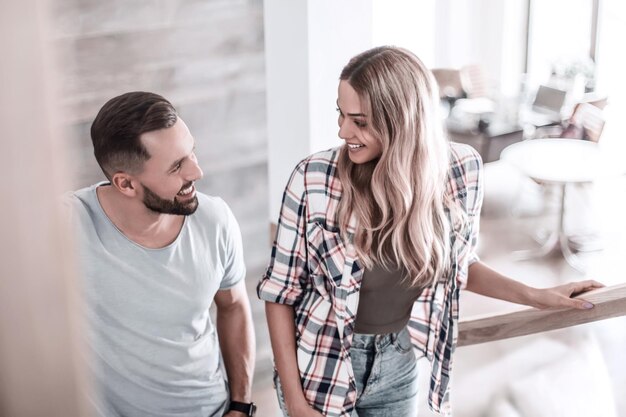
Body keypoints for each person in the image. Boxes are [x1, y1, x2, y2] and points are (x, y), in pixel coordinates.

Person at [257, 46, 602, 417]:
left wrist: (537, 295)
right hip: (321, 367)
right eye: (340, 114)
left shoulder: (461, 171)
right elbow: (280, 293)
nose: (342, 131)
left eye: (359, 121)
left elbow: (460, 265)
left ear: (400, 121)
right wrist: (295, 402)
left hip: (399, 365)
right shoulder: (313, 178)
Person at [66, 92, 257, 417]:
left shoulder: (215, 220)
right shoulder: (70, 225)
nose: (196, 172)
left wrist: (240, 404)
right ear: (125, 184)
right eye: (176, 167)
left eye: (191, 152)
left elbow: (234, 306)